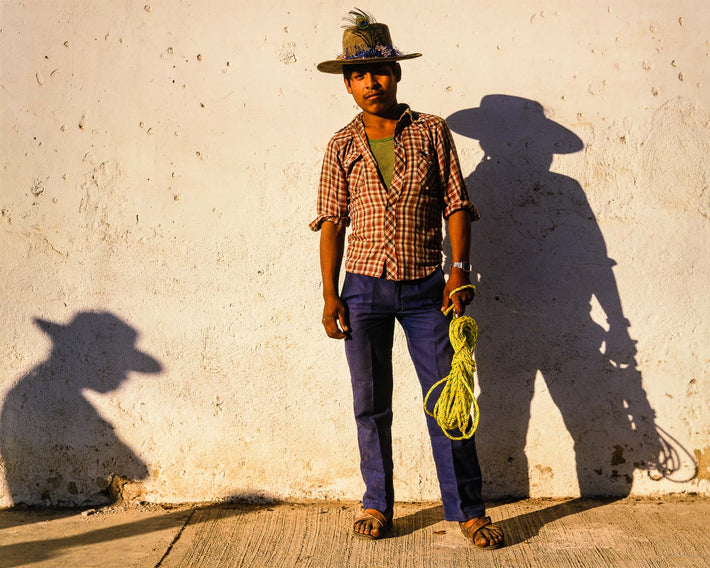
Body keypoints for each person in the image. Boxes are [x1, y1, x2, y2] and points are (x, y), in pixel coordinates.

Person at [309, 9, 503, 548]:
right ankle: (377, 504)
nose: (372, 83)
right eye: (360, 75)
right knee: (371, 405)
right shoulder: (340, 147)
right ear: (347, 85)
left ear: (397, 76)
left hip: (427, 290)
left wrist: (458, 273)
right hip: (364, 290)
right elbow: (331, 224)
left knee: (448, 399)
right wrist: (330, 296)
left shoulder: (432, 133)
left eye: (382, 71)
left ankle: (467, 510)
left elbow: (457, 208)